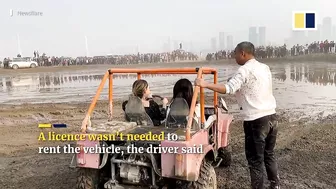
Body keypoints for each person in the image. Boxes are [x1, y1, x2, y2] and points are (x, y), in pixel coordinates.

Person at [194, 41, 280, 189]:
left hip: (256, 120)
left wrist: (205, 84)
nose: (234, 56)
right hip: (272, 116)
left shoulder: (244, 71)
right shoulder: (264, 68)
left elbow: (228, 89)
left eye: (235, 53)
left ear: (243, 53)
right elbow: (254, 86)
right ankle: (275, 184)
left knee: (255, 160)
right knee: (269, 154)